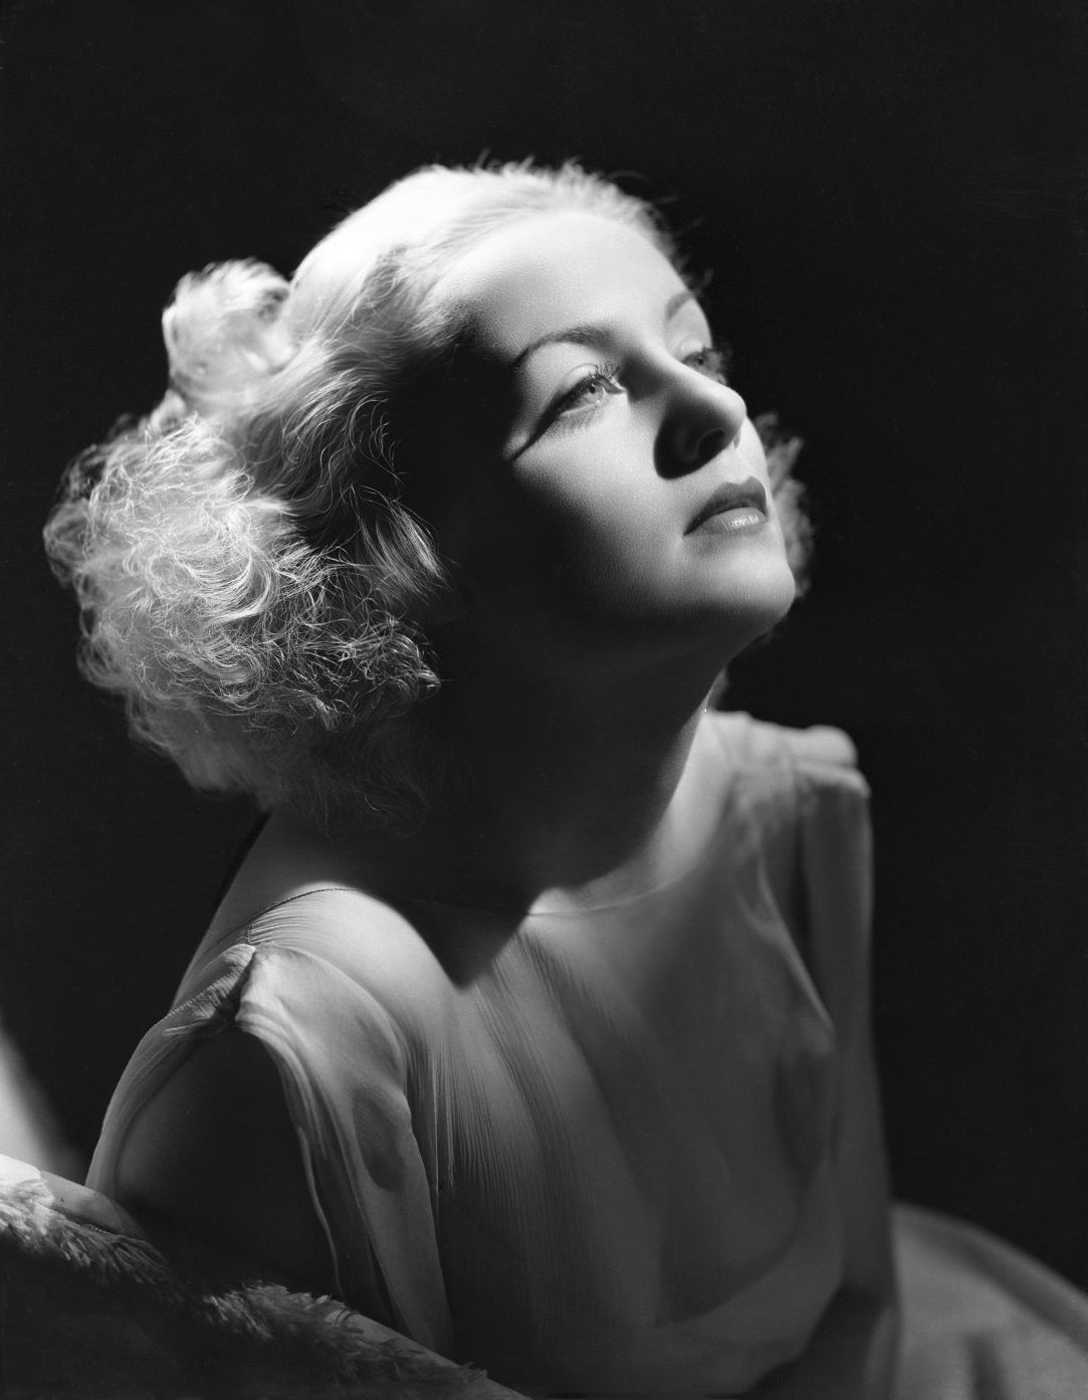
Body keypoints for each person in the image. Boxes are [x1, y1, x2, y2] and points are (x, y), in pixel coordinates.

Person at [41, 161, 1088, 1399]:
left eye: (692, 348)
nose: (712, 410)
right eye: (583, 390)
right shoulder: (297, 1055)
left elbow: (855, 1314)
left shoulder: (783, 805)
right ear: (388, 553)